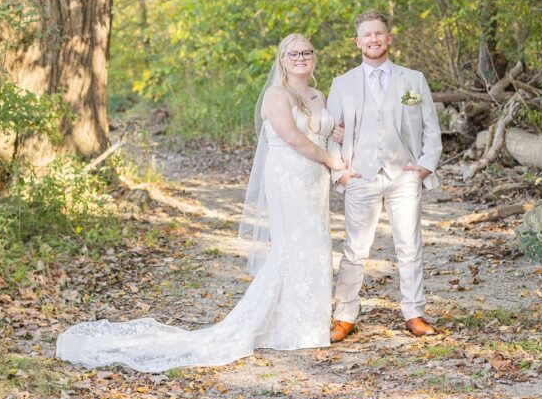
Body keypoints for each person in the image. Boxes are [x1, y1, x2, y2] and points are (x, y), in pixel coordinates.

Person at [55, 34, 345, 372]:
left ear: (314, 57)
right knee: (292, 246)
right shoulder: (275, 95)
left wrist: (333, 138)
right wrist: (330, 158)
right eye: (292, 53)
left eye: (307, 51)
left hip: (314, 181)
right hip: (289, 177)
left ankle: (308, 325)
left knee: (314, 244)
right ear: (282, 60)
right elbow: (293, 138)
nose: (300, 57)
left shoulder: (317, 95)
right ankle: (284, 326)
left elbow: (316, 130)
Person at [326, 10, 443, 341]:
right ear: (357, 42)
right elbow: (330, 132)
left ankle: (414, 313)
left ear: (389, 38)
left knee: (409, 245)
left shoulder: (413, 80)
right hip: (360, 176)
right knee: (355, 249)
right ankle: (345, 315)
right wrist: (342, 173)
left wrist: (424, 165)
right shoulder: (342, 84)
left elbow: (431, 127)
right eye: (367, 34)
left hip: (403, 176)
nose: (373, 39)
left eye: (379, 33)